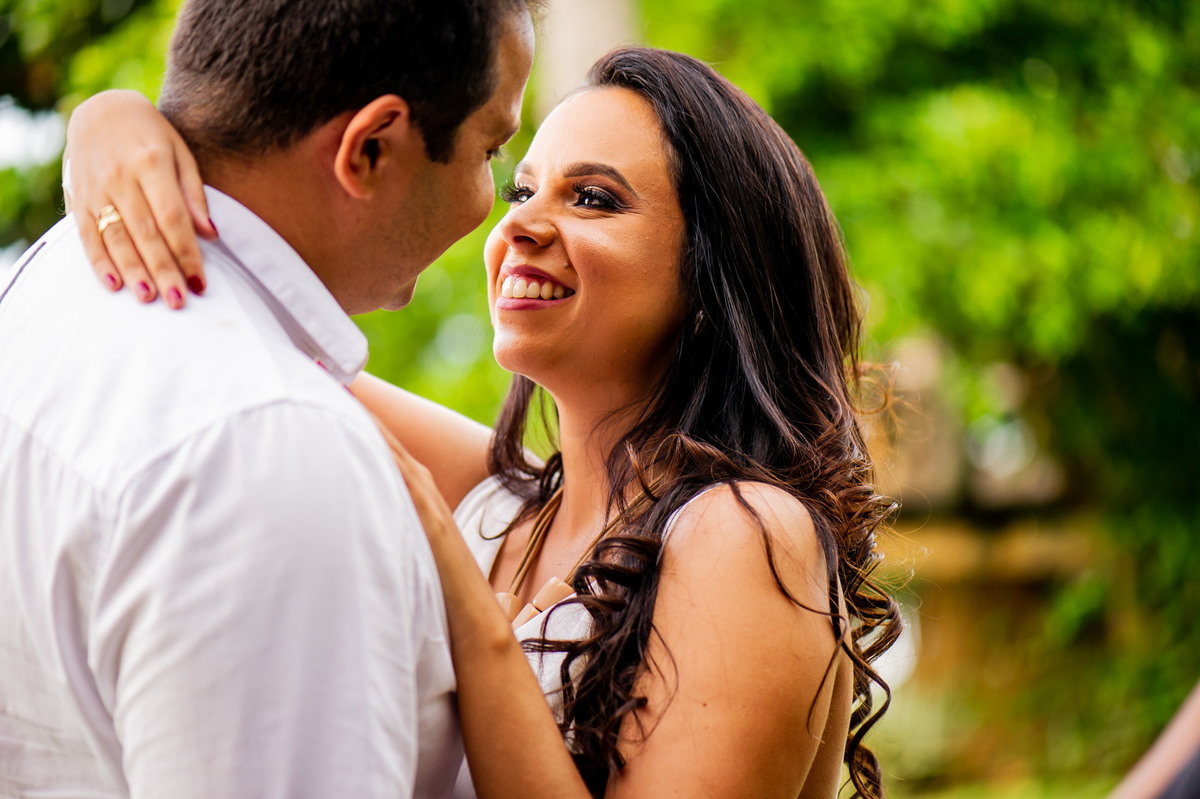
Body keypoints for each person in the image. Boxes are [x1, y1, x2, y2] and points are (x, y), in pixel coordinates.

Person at [63, 47, 902, 799]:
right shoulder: (503, 507)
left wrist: (464, 605)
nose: (520, 226)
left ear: (715, 279)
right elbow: (260, 333)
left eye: (595, 199)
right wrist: (111, 124)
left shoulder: (743, 532)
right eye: (524, 188)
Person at [0, 0, 534, 797]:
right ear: (371, 148)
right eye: (493, 149)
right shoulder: (275, 449)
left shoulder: (48, 280)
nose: (503, 217)